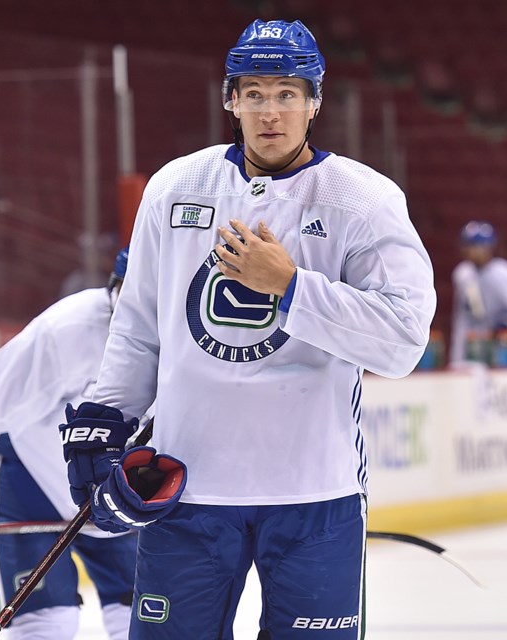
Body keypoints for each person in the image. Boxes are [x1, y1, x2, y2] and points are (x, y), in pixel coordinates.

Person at [57, 19, 435, 640]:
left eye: (287, 93)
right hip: (186, 487)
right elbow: (139, 327)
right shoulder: (176, 187)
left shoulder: (362, 200)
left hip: (315, 491)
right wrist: (108, 414)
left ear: (315, 101)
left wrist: (290, 287)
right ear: (230, 99)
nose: (270, 112)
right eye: (254, 93)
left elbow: (402, 342)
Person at [0, 247, 137, 639]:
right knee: (45, 628)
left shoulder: (190, 339)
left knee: (144, 627)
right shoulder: (68, 331)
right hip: (32, 481)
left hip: (125, 495)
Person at [450, 220, 507, 366]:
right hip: (473, 348)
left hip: (501, 348)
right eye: (469, 246)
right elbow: (461, 320)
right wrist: (456, 359)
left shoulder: (503, 273)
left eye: (477, 246)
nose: (472, 251)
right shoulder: (463, 274)